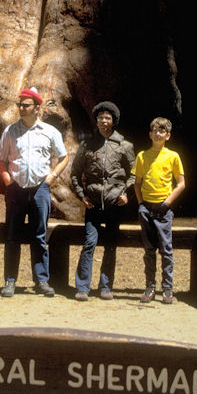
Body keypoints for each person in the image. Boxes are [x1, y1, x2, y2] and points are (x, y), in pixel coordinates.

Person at [0, 87, 68, 297]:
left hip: (40, 190)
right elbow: (1, 160)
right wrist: (7, 180)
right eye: (19, 105)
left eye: (25, 105)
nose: (21, 108)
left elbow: (63, 157)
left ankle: (41, 280)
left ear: (37, 108)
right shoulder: (10, 131)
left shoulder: (50, 132)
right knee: (12, 236)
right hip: (16, 190)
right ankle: (10, 280)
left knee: (38, 235)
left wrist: (51, 178)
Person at [71, 101, 135, 301]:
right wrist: (82, 196)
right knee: (89, 242)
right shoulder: (87, 145)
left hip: (115, 203)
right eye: (100, 118)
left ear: (113, 121)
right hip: (93, 202)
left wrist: (126, 194)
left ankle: (106, 286)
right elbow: (74, 174)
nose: (103, 121)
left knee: (110, 244)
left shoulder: (124, 146)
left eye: (107, 118)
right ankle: (82, 287)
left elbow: (134, 174)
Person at [133, 116, 185, 305]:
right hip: (146, 208)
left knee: (166, 249)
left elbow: (181, 183)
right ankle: (150, 286)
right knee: (149, 250)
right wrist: (141, 204)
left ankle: (168, 288)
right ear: (150, 134)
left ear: (168, 135)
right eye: (154, 130)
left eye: (162, 131)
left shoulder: (173, 156)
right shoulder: (142, 156)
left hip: (164, 210)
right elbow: (137, 184)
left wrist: (167, 202)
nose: (158, 133)